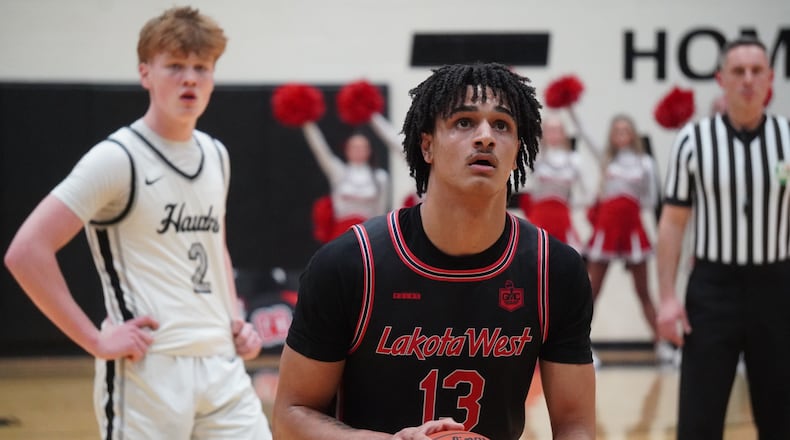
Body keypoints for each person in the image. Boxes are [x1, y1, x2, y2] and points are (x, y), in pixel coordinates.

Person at [273, 62, 596, 440]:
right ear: (427, 146)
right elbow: (290, 416)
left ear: (517, 152)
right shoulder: (349, 264)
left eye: (502, 125)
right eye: (464, 122)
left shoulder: (554, 271)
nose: (485, 137)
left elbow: (575, 424)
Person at [3, 7, 272, 439]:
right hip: (149, 368)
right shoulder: (117, 158)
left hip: (221, 363)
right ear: (145, 72)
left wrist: (233, 317)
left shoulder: (215, 154)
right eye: (175, 66)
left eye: (201, 67)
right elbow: (26, 251)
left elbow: (214, 246)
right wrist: (94, 340)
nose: (190, 79)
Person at [657, 35, 790, 439]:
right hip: (712, 290)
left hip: (777, 287)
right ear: (721, 79)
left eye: (756, 71)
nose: (748, 79)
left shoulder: (788, 137)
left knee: (781, 416)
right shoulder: (692, 140)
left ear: (770, 78)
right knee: (699, 417)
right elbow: (673, 222)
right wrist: (667, 298)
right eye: (738, 71)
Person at [570, 111, 661, 345]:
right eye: (617, 130)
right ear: (611, 135)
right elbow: (585, 135)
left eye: (625, 130)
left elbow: (650, 199)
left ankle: (663, 344)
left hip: (632, 229)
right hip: (607, 229)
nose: (621, 134)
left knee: (643, 292)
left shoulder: (645, 163)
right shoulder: (606, 159)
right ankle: (578, 343)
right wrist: (571, 107)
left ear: (633, 134)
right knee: (592, 290)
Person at [302, 121, 391, 243]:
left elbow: (381, 212)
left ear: (369, 150)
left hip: (367, 235)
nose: (358, 151)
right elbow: (320, 150)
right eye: (354, 147)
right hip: (341, 235)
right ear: (347, 150)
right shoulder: (339, 172)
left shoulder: (380, 177)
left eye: (362, 147)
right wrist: (307, 123)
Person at [518, 112, 589, 252]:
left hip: (562, 217)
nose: (553, 134)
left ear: (563, 133)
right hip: (539, 216)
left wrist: (572, 205)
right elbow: (524, 185)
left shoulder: (574, 160)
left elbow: (587, 192)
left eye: (557, 130)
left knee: (564, 256)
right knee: (535, 253)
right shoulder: (535, 158)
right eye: (549, 130)